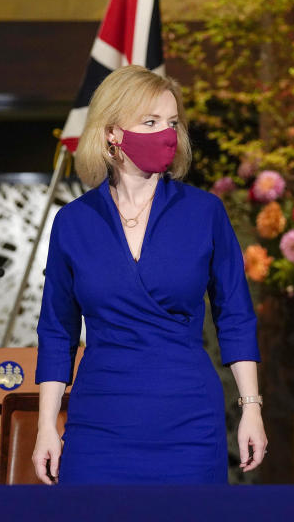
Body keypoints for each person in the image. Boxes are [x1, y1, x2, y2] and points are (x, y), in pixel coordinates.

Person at [32, 65, 266, 484]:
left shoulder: (204, 212)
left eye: (173, 123)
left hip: (188, 421)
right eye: (151, 122)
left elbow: (235, 315)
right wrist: (46, 424)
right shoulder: (74, 222)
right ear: (111, 133)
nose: (167, 134)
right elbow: (56, 331)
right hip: (99, 424)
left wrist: (251, 407)